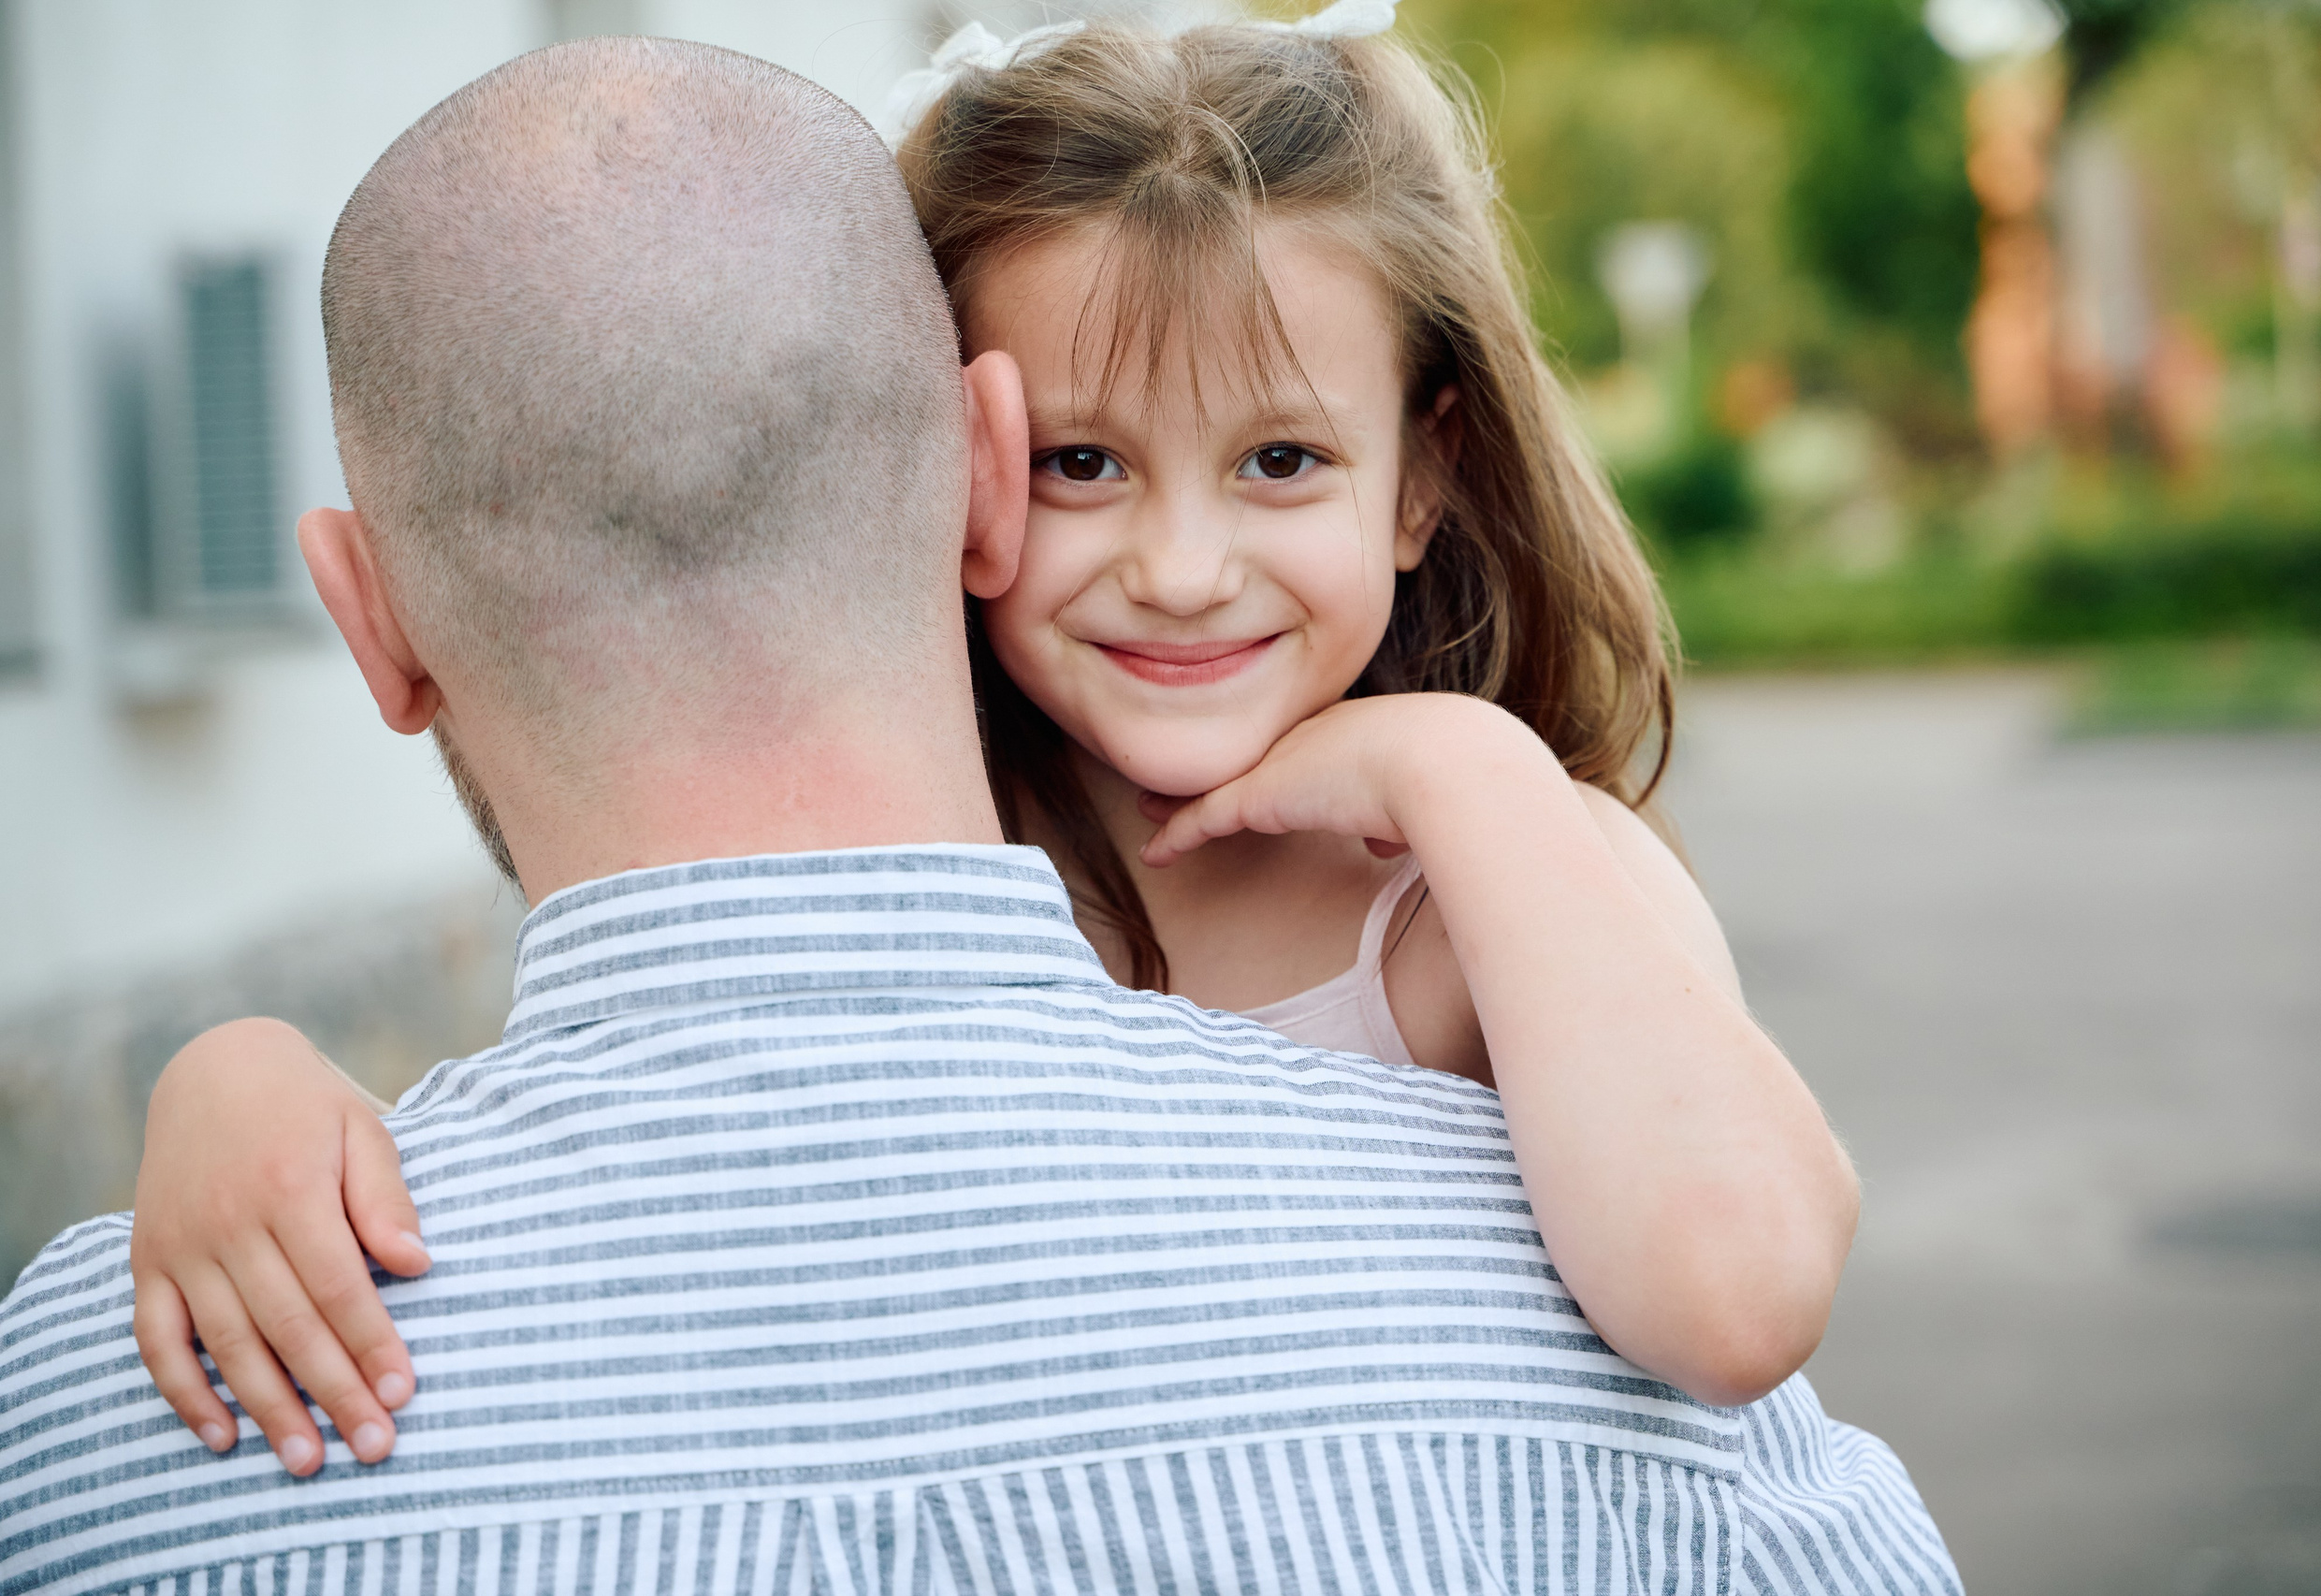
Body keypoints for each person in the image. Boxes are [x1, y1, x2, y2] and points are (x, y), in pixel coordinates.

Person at [0, 31, 1957, 1596]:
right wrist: (234, 1081)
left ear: (1422, 480)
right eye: (1093, 462)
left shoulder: (1491, 886)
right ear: (975, 475)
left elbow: (1733, 1291)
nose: (1183, 569)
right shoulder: (943, 879)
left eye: (1279, 458)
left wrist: (1458, 767)